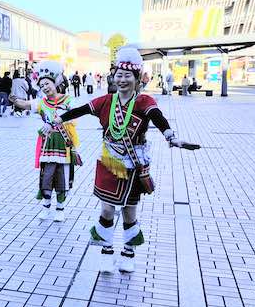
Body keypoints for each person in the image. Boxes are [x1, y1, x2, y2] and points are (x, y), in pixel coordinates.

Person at [54, 47, 198, 273]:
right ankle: (106, 252)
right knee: (107, 210)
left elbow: (157, 117)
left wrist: (171, 137)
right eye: (118, 75)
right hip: (110, 163)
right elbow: (80, 110)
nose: (122, 80)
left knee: (130, 212)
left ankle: (129, 253)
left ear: (137, 78)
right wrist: (58, 119)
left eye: (127, 75)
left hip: (133, 165)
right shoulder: (106, 101)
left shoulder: (143, 101)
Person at [11, 62, 80, 222]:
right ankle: (46, 206)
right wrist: (14, 99)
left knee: (62, 176)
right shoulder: (42, 102)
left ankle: (60, 209)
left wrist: (53, 123)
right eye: (42, 86)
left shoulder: (69, 100)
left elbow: (73, 114)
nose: (45, 87)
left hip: (64, 143)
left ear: (55, 82)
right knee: (46, 176)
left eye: (47, 84)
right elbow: (25, 104)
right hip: (47, 145)